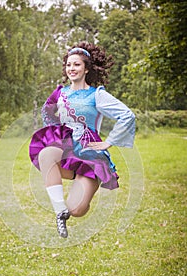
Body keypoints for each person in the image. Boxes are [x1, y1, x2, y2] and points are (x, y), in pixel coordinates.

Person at [29, 42, 135, 239]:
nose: (72, 69)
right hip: (66, 149)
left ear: (86, 69)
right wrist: (56, 127)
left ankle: (81, 192)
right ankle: (60, 211)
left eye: (77, 65)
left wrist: (109, 141)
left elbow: (127, 115)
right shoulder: (60, 93)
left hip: (90, 154)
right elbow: (47, 113)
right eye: (69, 65)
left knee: (76, 209)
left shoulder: (97, 95)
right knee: (46, 154)